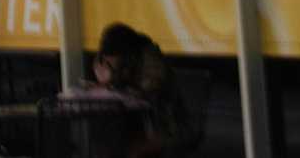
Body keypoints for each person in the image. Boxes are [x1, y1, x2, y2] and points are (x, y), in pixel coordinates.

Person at [63, 22, 201, 157]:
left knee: (124, 141)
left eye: (112, 63)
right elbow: (120, 87)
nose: (109, 67)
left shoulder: (151, 64)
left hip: (167, 130)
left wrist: (112, 82)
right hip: (141, 126)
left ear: (128, 57)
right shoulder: (120, 61)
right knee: (105, 132)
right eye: (106, 61)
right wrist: (106, 84)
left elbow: (145, 91)